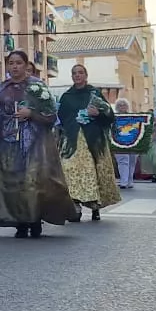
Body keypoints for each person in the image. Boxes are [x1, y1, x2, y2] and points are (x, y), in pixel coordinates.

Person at [0, 51, 72, 237]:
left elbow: (51, 116)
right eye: (11, 63)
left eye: (19, 63)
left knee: (33, 180)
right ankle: (19, 221)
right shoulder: (1, 89)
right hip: (7, 142)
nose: (15, 66)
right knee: (13, 180)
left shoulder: (37, 86)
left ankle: (34, 220)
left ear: (26, 65)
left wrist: (31, 114)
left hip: (35, 141)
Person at [57, 63, 121, 222]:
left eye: (80, 73)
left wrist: (98, 113)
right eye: (74, 73)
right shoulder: (66, 97)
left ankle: (95, 205)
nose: (77, 75)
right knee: (70, 170)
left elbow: (110, 116)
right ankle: (75, 205)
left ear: (85, 75)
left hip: (93, 138)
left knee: (92, 171)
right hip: (72, 140)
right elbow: (61, 119)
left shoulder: (95, 93)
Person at [113, 98, 140, 189]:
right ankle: (123, 181)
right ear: (117, 107)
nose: (122, 107)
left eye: (124, 105)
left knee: (132, 162)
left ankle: (130, 180)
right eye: (120, 105)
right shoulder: (113, 117)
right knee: (122, 161)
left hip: (132, 141)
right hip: (119, 142)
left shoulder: (133, 117)